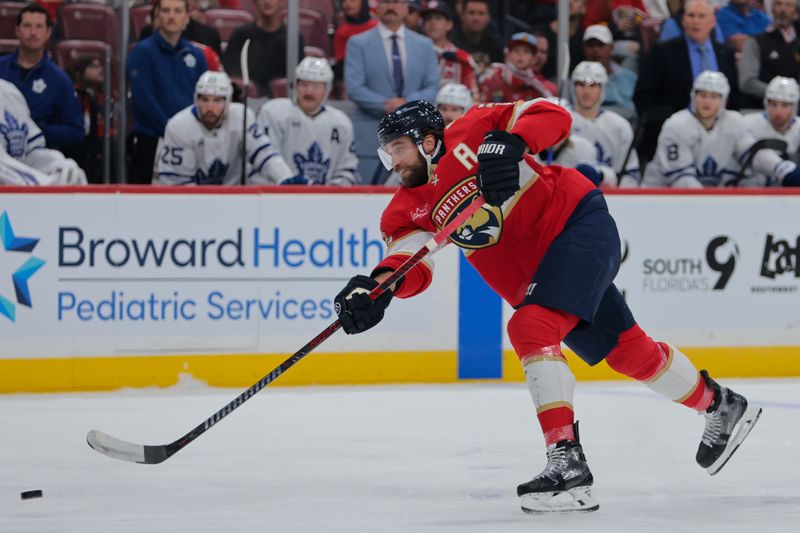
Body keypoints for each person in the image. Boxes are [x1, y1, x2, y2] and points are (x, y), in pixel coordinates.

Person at [332, 98, 762, 513]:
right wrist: (374, 291)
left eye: (398, 149)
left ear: (427, 141)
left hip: (577, 224)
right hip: (545, 278)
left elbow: (551, 113)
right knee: (629, 351)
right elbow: (408, 265)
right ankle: (721, 405)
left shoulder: (473, 129)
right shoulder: (403, 210)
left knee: (528, 328)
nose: (393, 162)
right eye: (387, 154)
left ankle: (567, 461)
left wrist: (513, 142)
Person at [643, 71, 800, 187]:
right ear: (693, 97)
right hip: (661, 198)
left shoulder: (733, 121)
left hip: (705, 200)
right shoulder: (676, 125)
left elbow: (753, 154)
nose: (707, 101)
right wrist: (711, 202)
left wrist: (783, 170)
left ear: (723, 100)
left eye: (714, 96)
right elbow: (681, 179)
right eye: (702, 95)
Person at [345, 0, 440, 182]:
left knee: (413, 202)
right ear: (377, 7)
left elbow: (432, 87)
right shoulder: (357, 43)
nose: (391, 7)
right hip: (370, 139)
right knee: (365, 201)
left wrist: (405, 105)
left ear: (406, 8)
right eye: (386, 2)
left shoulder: (425, 45)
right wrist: (387, 105)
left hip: (415, 141)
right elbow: (355, 88)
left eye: (396, 2)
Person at [634, 0, 739, 161]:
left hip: (720, 136)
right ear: (683, 20)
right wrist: (665, 124)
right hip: (674, 134)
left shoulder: (725, 53)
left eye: (701, 16)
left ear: (712, 22)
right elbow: (643, 96)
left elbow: (734, 97)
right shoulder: (662, 52)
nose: (695, 21)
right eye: (691, 15)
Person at [154, 71, 297, 185]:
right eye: (205, 99)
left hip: (232, 201)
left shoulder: (242, 117)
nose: (210, 107)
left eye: (217, 100)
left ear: (227, 101)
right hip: (188, 205)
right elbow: (175, 181)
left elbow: (264, 154)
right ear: (196, 100)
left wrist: (284, 178)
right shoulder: (179, 126)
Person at [127, 0, 208, 184]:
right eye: (166, 10)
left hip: (191, 142)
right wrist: (173, 133)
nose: (172, 16)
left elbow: (202, 98)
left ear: (187, 18)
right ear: (158, 16)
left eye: (178, 11)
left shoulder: (196, 54)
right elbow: (144, 101)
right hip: (152, 142)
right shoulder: (142, 52)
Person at [257, 58, 360, 186]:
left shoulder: (341, 123)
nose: (309, 92)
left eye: (316, 86)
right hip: (280, 196)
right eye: (304, 85)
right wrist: (287, 182)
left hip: (326, 202)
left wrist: (332, 193)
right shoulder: (273, 113)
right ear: (295, 85)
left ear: (327, 89)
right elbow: (264, 157)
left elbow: (347, 168)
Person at [0, 3, 84, 151]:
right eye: (27, 26)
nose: (33, 32)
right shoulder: (1, 68)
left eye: (39, 27)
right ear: (17, 31)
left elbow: (76, 131)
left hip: (39, 157)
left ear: (48, 33)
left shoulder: (59, 79)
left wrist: (38, 130)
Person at [0, 79, 87, 185]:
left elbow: (29, 151)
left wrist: (58, 165)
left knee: (69, 173)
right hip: (13, 195)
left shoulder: (8, 92)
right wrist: (46, 184)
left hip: (22, 196)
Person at [569, 61, 640, 187]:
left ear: (602, 87)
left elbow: (630, 175)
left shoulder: (619, 126)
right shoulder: (560, 122)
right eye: (580, 84)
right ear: (573, 87)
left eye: (593, 85)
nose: (586, 91)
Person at [222, 0, 304, 97]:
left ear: (281, 2)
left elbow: (298, 78)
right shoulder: (241, 34)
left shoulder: (292, 38)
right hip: (246, 101)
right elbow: (230, 74)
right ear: (256, 2)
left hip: (282, 102)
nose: (267, 1)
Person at [738, 0, 800, 104]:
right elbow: (747, 82)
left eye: (788, 5)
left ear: (796, 13)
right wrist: (781, 94)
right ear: (772, 10)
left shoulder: (797, 43)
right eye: (778, 4)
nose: (783, 9)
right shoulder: (755, 41)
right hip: (761, 109)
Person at [742, 76, 800, 186]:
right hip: (752, 191)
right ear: (766, 104)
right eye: (774, 104)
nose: (778, 111)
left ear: (794, 107)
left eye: (784, 105)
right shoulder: (747, 123)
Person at [64, 55, 111, 184]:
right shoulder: (70, 94)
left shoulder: (92, 96)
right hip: (72, 151)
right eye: (94, 66)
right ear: (79, 71)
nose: (101, 69)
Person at [420, 0, 479, 100]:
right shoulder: (413, 54)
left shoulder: (462, 58)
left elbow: (473, 96)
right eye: (428, 19)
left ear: (449, 25)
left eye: (438, 18)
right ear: (423, 26)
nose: (432, 22)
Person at [480, 33, 557, 104]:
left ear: (533, 57)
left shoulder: (539, 87)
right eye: (516, 50)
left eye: (526, 51)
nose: (520, 55)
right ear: (508, 54)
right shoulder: (494, 75)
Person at [582, 24, 637, 119]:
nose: (595, 50)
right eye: (590, 45)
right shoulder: (576, 81)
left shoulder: (630, 78)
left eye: (600, 45)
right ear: (584, 49)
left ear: (611, 48)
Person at [449, 0, 505, 67]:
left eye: (481, 13)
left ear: (488, 17)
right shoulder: (451, 43)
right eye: (471, 13)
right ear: (462, 15)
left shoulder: (496, 44)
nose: (476, 18)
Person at [333, 0, 377, 81]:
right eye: (344, 1)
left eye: (352, 0)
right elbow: (342, 63)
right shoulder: (341, 32)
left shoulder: (377, 27)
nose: (347, 4)